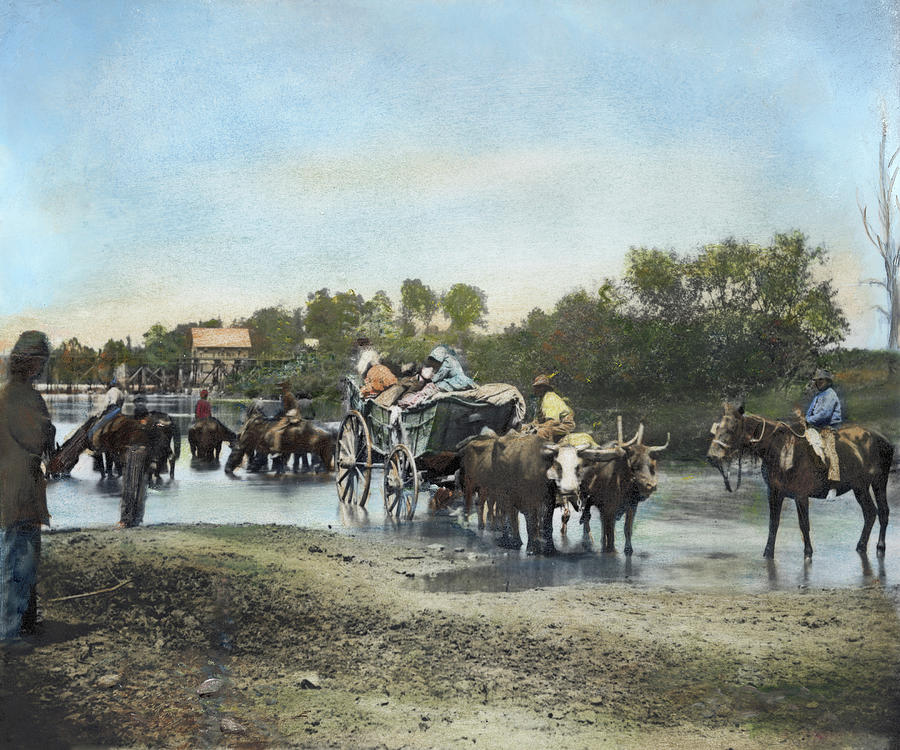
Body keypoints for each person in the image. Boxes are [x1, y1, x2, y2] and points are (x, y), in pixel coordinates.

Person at [0, 330, 56, 653]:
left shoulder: (5, 395)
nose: (40, 366)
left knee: (12, 559)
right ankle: (9, 633)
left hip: (8, 489)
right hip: (23, 491)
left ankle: (18, 625)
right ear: (31, 361)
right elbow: (38, 441)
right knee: (19, 562)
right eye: (40, 360)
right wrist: (49, 434)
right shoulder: (28, 398)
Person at [802, 368, 842, 486]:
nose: (818, 383)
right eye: (817, 381)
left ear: (828, 381)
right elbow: (809, 412)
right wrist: (806, 420)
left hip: (828, 428)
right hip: (815, 428)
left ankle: (834, 483)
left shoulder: (830, 394)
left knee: (830, 452)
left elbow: (825, 414)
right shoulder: (817, 396)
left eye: (821, 380)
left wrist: (808, 420)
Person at [525, 375, 575, 441]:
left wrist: (538, 426)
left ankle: (541, 449)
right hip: (557, 424)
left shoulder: (550, 398)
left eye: (538, 387)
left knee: (541, 432)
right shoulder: (541, 400)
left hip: (565, 425)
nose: (535, 389)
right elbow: (537, 420)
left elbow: (553, 421)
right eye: (536, 387)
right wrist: (527, 426)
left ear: (544, 388)